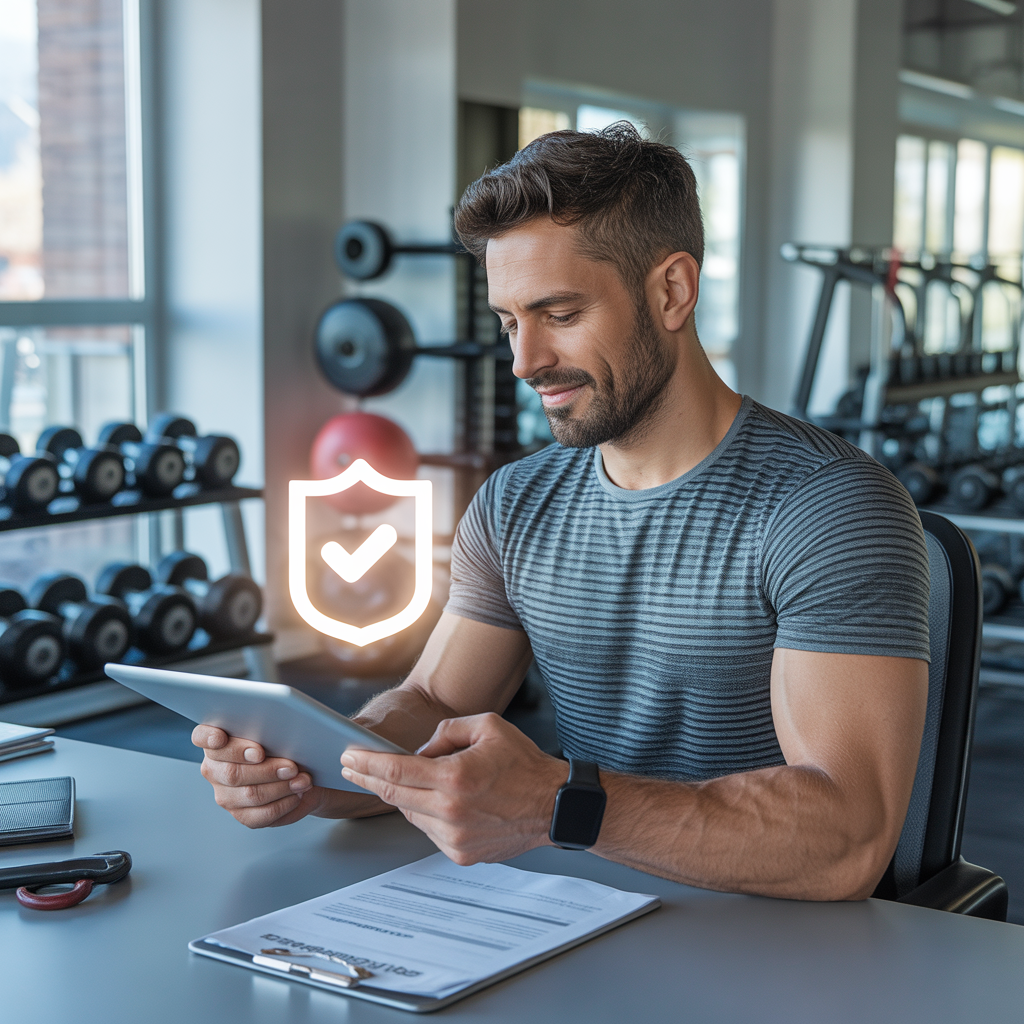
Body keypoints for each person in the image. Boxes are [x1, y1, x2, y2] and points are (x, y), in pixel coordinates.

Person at [193, 124, 930, 901]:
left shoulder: (827, 508)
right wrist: (315, 770)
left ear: (672, 291)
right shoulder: (517, 503)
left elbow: (847, 837)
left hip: (772, 943)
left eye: (560, 313)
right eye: (510, 321)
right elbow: (437, 706)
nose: (524, 361)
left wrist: (558, 803)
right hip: (579, 908)